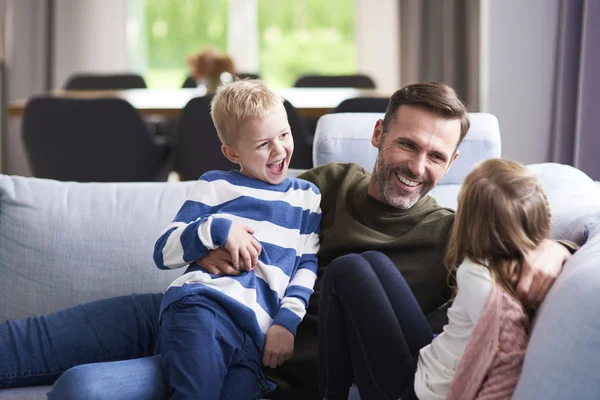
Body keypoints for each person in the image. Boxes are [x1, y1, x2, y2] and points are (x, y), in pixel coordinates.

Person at [0, 82, 570, 400]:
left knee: (83, 389)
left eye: (436, 156)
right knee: (30, 342)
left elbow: (550, 235)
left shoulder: (450, 235)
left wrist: (550, 249)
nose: (416, 166)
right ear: (379, 135)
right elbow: (235, 185)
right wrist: (207, 241)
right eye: (406, 145)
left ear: (450, 164)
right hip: (188, 303)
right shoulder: (323, 184)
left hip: (250, 358)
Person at [318, 158, 564, 400]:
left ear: (469, 221)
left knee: (345, 270)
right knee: (374, 260)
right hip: (428, 365)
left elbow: (508, 355)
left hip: (412, 391)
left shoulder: (476, 274)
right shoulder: (521, 267)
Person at [153, 80, 321, 399]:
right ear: (232, 152)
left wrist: (286, 322)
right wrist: (219, 228)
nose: (279, 150)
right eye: (262, 144)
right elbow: (164, 251)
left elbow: (306, 264)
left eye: (284, 135)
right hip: (205, 309)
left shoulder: (307, 197)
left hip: (254, 339)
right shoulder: (215, 186)